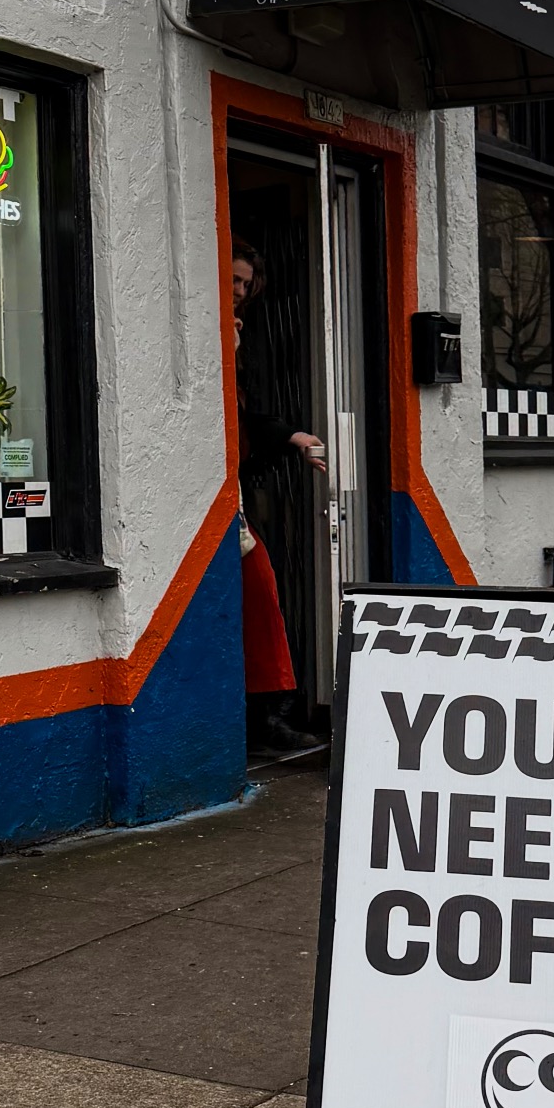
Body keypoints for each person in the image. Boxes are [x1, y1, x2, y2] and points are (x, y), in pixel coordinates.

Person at [231, 239, 327, 758]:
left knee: (260, 588)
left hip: (232, 489)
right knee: (256, 587)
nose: (238, 291)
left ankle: (265, 715)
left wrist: (293, 436)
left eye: (245, 284)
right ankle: (260, 719)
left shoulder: (240, 335)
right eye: (231, 279)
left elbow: (246, 415)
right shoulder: (220, 335)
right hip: (205, 490)